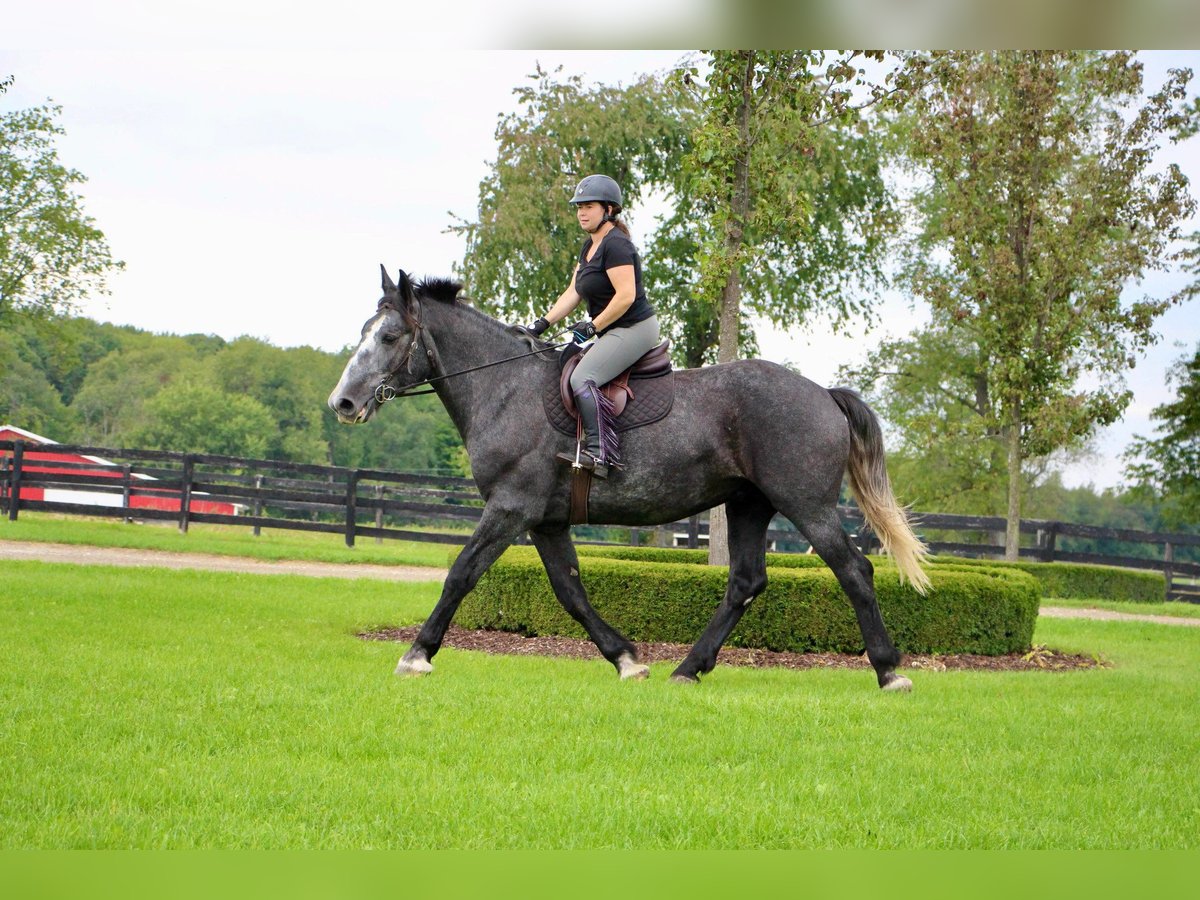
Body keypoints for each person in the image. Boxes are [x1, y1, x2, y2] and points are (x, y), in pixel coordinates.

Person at [526, 174, 661, 479]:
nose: (581, 213)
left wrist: (592, 325)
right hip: (609, 327)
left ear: (609, 209)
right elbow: (574, 291)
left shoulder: (616, 245)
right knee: (562, 361)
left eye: (588, 206)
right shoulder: (590, 245)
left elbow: (626, 297)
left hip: (634, 327)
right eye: (578, 207)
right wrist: (542, 323)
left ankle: (601, 454)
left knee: (583, 377)